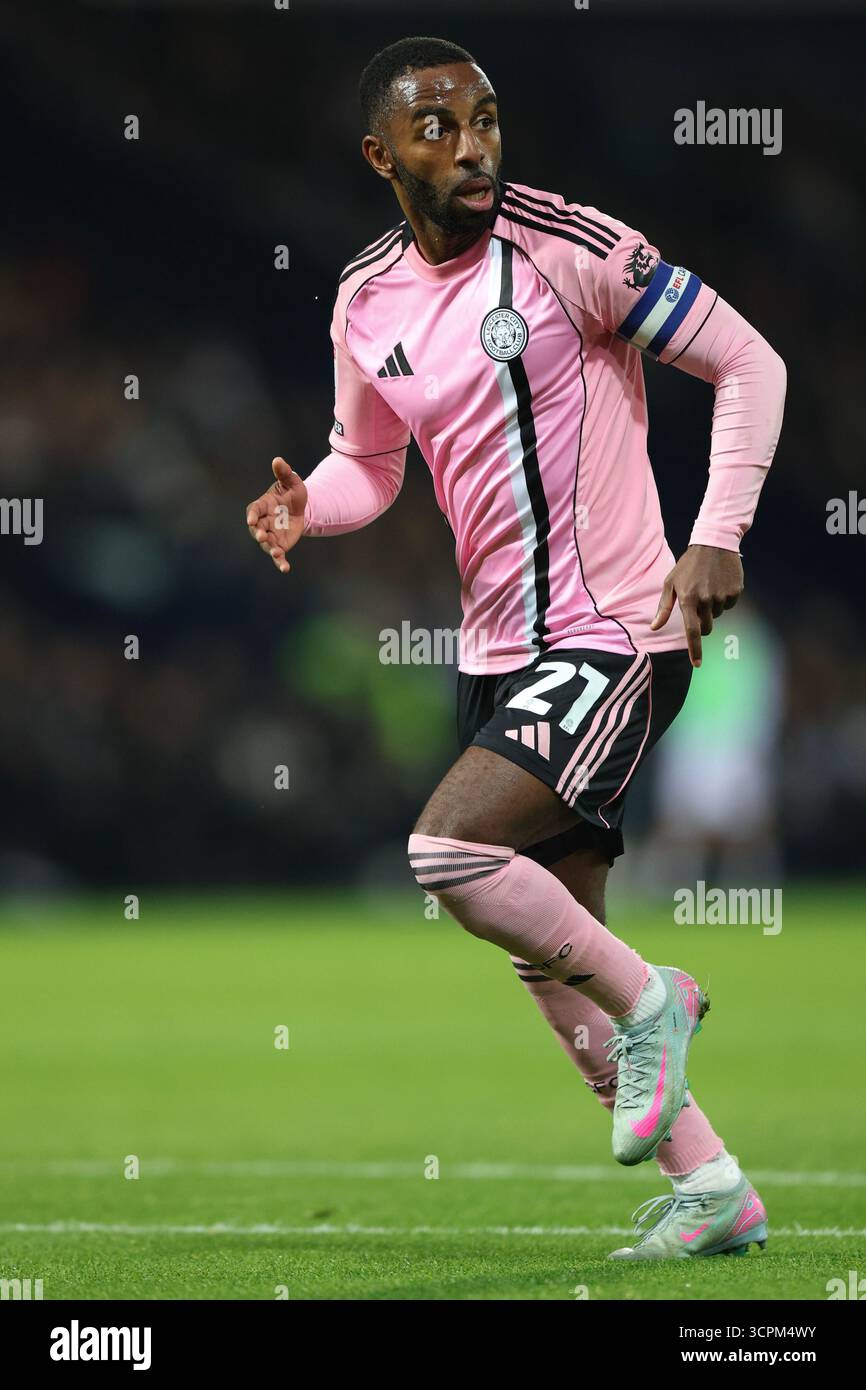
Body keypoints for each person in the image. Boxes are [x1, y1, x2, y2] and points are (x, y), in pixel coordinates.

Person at [246, 36, 785, 1259]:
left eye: (485, 120)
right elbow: (367, 462)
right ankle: (713, 1193)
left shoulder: (570, 249)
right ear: (382, 156)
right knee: (543, 949)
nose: (473, 145)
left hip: (617, 627)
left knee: (443, 847)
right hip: (495, 646)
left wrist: (716, 535)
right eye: (438, 128)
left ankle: (660, 995)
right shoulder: (365, 297)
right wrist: (306, 507)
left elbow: (749, 361)